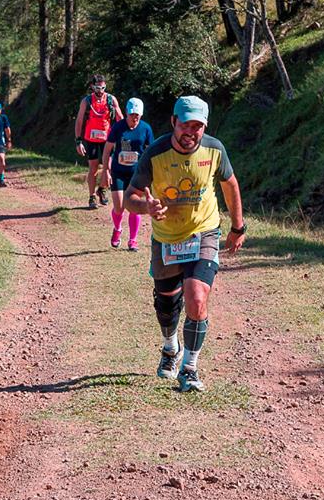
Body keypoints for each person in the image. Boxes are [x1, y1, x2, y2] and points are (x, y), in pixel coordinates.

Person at [124, 96, 246, 393]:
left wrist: (237, 226)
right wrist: (147, 208)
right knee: (166, 306)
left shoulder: (215, 150)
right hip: (166, 238)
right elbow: (130, 197)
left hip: (203, 231)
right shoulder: (155, 153)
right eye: (185, 125)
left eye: (198, 126)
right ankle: (170, 347)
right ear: (173, 123)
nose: (191, 132)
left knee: (197, 296)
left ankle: (189, 368)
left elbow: (230, 185)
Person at [101, 97, 154, 251]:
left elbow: (151, 150)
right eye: (132, 115)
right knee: (119, 207)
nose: (134, 118)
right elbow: (107, 149)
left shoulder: (145, 129)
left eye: (137, 115)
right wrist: (105, 170)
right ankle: (117, 229)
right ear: (126, 113)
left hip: (136, 174)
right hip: (118, 172)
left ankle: (132, 240)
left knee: (134, 207)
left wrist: (151, 172)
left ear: (141, 115)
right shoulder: (118, 127)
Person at [74, 74, 122, 210]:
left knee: (109, 168)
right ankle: (92, 196)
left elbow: (120, 118)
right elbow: (79, 121)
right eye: (97, 88)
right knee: (93, 168)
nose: (100, 91)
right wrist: (78, 141)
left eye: (103, 88)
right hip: (91, 139)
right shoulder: (87, 101)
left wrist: (124, 135)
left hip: (108, 139)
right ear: (92, 87)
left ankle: (102, 189)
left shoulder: (111, 100)